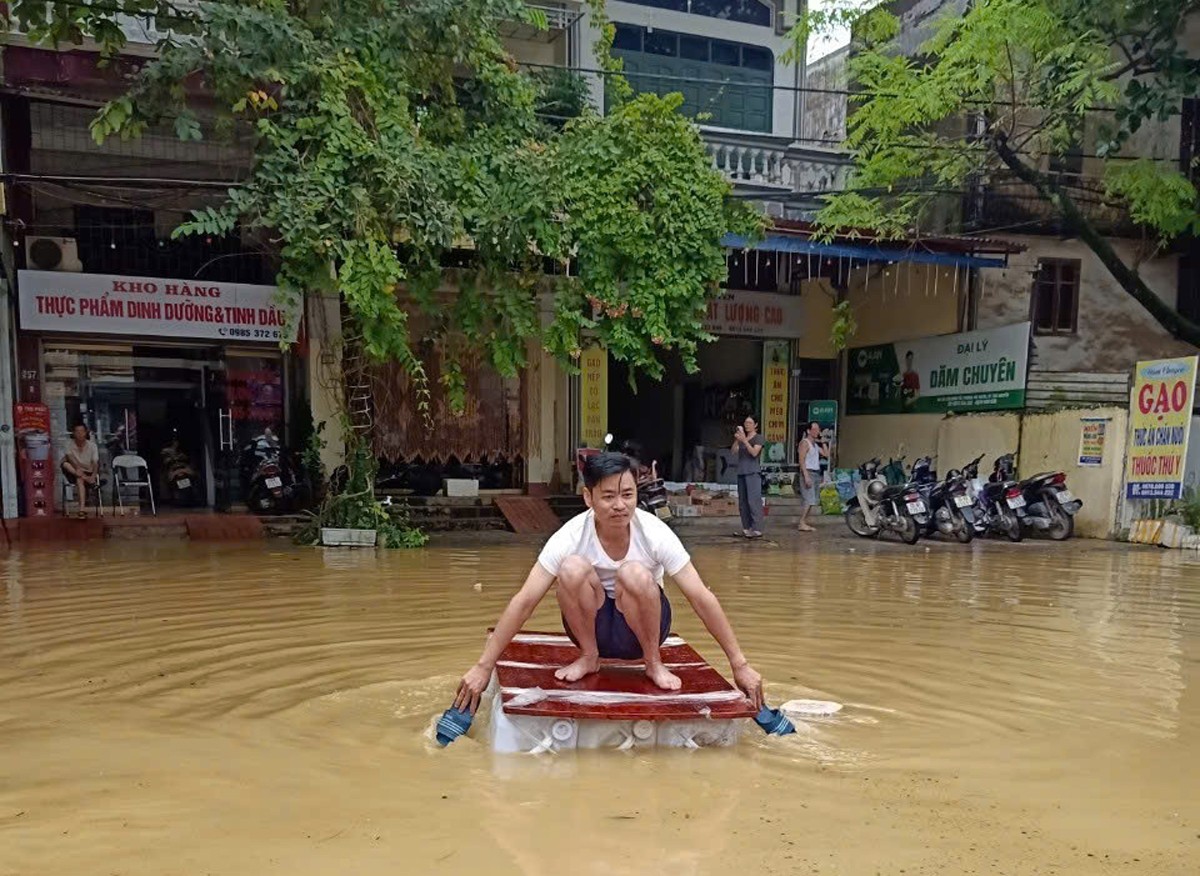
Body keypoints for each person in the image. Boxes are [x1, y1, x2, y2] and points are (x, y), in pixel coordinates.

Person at [453, 452, 764, 713]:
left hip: (643, 629)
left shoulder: (654, 533)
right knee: (572, 569)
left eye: (627, 495)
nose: (620, 505)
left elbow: (700, 596)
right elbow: (524, 601)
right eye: (609, 496)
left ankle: (653, 664)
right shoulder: (571, 536)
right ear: (588, 497)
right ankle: (590, 658)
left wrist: (740, 664)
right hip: (595, 630)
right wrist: (483, 667)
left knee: (634, 573)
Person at [732, 415, 765, 538]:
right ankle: (746, 528)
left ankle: (757, 528)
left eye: (750, 423)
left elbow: (754, 453)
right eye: (746, 422)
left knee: (753, 501)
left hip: (752, 472)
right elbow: (733, 451)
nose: (747, 425)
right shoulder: (741, 438)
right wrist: (737, 439)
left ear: (755, 425)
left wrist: (745, 440)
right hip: (741, 471)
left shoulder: (758, 438)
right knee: (743, 502)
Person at [796, 421, 829, 532]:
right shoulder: (804, 443)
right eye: (814, 429)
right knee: (809, 499)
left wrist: (823, 442)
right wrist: (806, 476)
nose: (817, 432)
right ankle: (801, 522)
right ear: (808, 431)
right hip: (808, 472)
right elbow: (801, 460)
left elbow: (826, 454)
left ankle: (804, 521)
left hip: (815, 473)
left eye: (818, 429)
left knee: (812, 500)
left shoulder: (814, 445)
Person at [61, 424, 101, 516]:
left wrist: (93, 476)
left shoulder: (92, 446)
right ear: (74, 433)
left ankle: (81, 510)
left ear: (85, 432)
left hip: (87, 471)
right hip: (73, 470)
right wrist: (78, 468)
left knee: (79, 479)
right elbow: (70, 458)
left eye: (82, 431)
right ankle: (91, 483)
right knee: (66, 464)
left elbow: (95, 463)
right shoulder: (68, 444)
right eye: (77, 431)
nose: (79, 434)